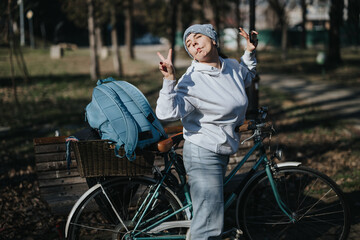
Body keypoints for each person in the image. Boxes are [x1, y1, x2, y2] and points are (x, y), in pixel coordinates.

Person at [156, 24, 258, 240]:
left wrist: (249, 51)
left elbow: (246, 76)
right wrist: (169, 80)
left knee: (207, 217)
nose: (194, 45)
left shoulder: (230, 65)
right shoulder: (192, 79)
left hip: (220, 149)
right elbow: (166, 112)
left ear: (213, 40)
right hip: (204, 153)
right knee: (209, 228)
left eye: (197, 38)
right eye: (189, 44)